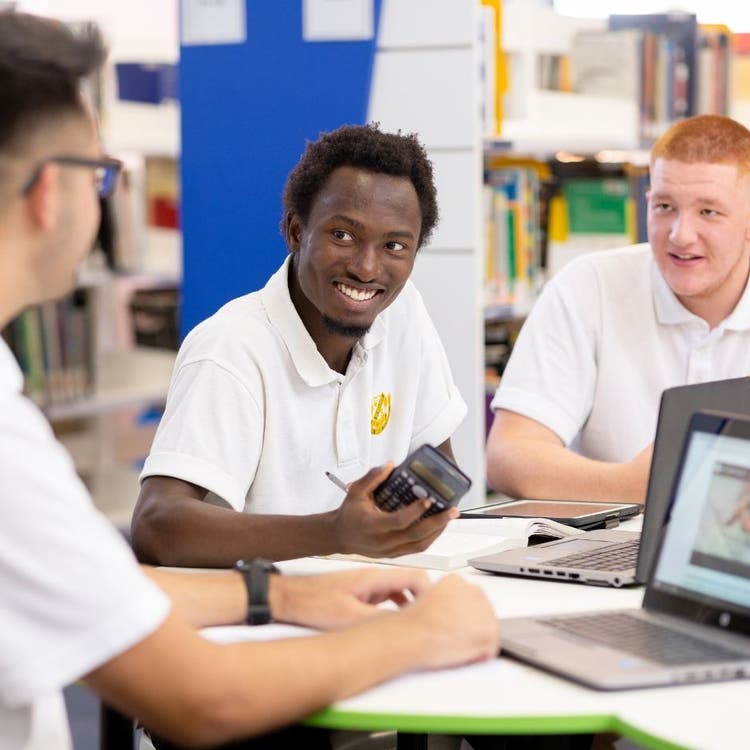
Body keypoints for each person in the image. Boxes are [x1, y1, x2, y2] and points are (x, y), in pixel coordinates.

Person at [0, 11, 501, 750]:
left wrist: (289, 591)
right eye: (101, 171)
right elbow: (203, 699)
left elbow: (111, 591)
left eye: (393, 246)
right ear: (50, 194)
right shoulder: (217, 353)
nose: (367, 265)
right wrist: (420, 629)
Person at [130, 122, 469, 567]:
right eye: (343, 235)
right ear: (295, 231)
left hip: (372, 597)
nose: (367, 268)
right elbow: (156, 525)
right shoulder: (230, 348)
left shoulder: (402, 314)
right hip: (261, 618)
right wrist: (335, 532)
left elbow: (437, 472)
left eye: (394, 245)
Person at [486, 114, 750, 504]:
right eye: (664, 206)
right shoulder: (587, 287)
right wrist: (634, 485)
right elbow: (510, 455)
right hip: (608, 546)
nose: (680, 235)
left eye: (708, 212)